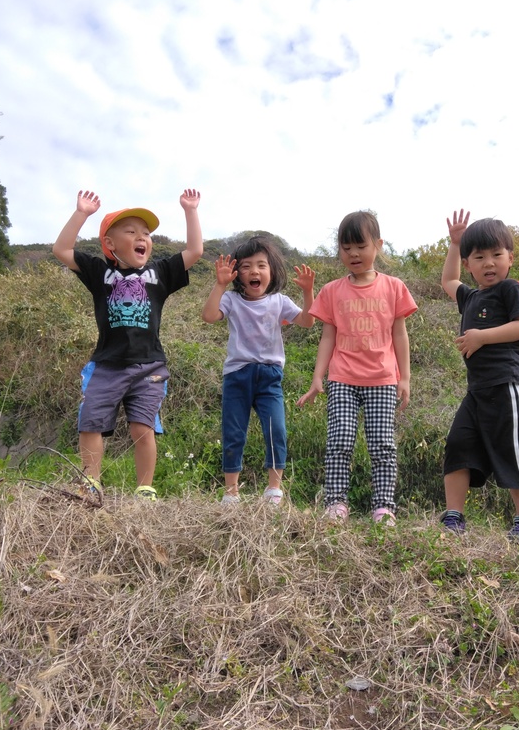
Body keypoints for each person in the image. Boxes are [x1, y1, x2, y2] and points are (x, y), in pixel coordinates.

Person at [52, 188, 204, 501]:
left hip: (150, 366)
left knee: (142, 428)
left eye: (146, 233)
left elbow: (195, 251)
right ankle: (91, 482)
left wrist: (190, 210)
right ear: (110, 243)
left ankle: (145, 488)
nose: (142, 237)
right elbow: (62, 249)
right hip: (106, 365)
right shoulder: (99, 272)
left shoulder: (159, 272)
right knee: (91, 423)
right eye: (131, 232)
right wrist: (82, 213)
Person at [296, 211, 417, 526]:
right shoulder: (332, 291)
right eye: (346, 247)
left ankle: (383, 508)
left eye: (361, 246)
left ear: (378, 245)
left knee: (382, 445)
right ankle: (336, 504)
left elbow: (400, 335)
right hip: (342, 379)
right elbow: (327, 337)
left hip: (382, 379)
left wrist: (404, 378)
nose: (353, 253)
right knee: (339, 441)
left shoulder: (394, 287)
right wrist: (317, 377)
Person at [438, 210, 519, 542]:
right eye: (479, 257)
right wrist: (455, 244)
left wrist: (482, 336)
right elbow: (448, 282)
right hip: (478, 390)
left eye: (497, 254)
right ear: (468, 264)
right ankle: (454, 516)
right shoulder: (471, 296)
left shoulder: (511, 288)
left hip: (510, 384)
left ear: (510, 257)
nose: (489, 263)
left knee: (516, 451)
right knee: (458, 443)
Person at [202, 234, 316, 505]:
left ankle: (274, 489)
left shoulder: (279, 301)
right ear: (237, 273)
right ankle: (231, 492)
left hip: (269, 377)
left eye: (261, 265)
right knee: (233, 432)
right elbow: (208, 316)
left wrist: (308, 292)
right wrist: (220, 285)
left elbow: (307, 321)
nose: (254, 271)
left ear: (272, 270)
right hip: (237, 375)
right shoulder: (231, 299)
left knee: (276, 430)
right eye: (246, 266)